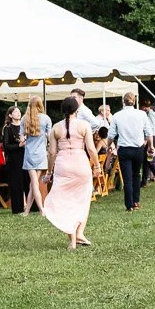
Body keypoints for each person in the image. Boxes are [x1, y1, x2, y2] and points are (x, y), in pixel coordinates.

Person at [42, 93, 98, 248]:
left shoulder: (56, 128)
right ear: (77, 109)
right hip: (80, 164)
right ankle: (79, 233)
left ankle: (72, 240)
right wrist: (98, 166)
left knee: (65, 201)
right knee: (83, 199)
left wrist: (48, 172)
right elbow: (91, 149)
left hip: (63, 165)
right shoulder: (84, 125)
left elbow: (52, 152)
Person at [110, 91, 150, 212]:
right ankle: (136, 201)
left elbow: (111, 134)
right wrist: (151, 146)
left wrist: (108, 146)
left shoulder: (117, 116)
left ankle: (129, 204)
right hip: (138, 148)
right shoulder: (142, 114)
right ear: (135, 101)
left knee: (127, 177)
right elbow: (148, 132)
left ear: (123, 101)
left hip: (124, 149)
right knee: (136, 174)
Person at [19, 102, 52, 215]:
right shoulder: (46, 118)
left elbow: (22, 137)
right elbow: (50, 135)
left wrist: (25, 140)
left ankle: (39, 210)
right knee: (34, 184)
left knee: (34, 183)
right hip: (41, 153)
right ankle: (30, 211)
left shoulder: (24, 119)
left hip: (29, 154)